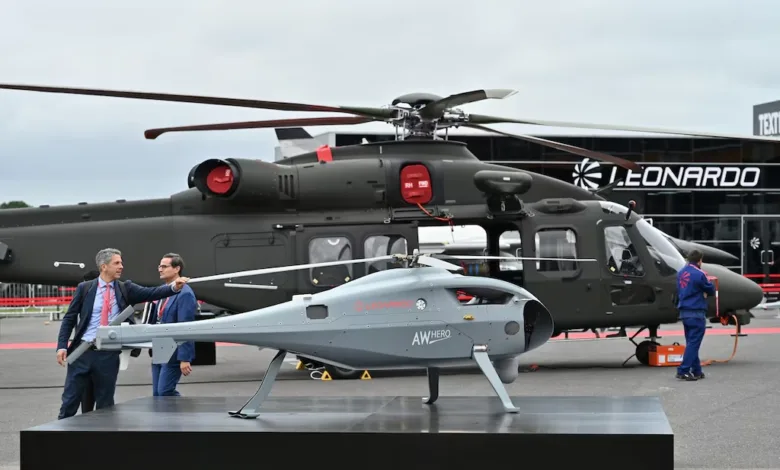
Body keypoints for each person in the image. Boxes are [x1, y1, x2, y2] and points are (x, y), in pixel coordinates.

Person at [55, 248, 190, 419]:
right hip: (81, 352)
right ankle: (61, 440)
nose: (121, 266)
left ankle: (102, 441)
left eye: (121, 262)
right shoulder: (85, 288)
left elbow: (152, 293)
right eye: (117, 263)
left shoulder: (125, 288)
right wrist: (61, 346)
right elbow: (69, 318)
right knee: (70, 401)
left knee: (105, 404)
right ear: (104, 267)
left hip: (107, 355)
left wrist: (174, 287)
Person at [144, 253, 197, 396]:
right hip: (160, 345)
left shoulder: (185, 294)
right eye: (159, 266)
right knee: (157, 393)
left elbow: (186, 326)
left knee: (165, 391)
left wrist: (185, 358)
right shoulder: (163, 291)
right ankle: (164, 417)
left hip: (173, 348)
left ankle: (182, 415)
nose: (160, 269)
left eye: (164, 266)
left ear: (176, 269)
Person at [675, 249, 716, 381]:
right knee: (694, 343)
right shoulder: (699, 273)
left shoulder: (681, 272)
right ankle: (683, 370)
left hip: (684, 311)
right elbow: (710, 289)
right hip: (696, 310)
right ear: (700, 260)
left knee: (691, 342)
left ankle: (697, 370)